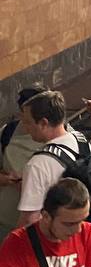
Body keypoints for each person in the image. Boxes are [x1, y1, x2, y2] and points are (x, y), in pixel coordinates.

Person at [16, 92, 85, 228]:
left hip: (57, 235)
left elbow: (30, 220)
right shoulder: (80, 140)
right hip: (85, 228)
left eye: (28, 122)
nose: (25, 128)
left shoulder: (37, 164)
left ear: (43, 123)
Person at [0, 89, 43, 239]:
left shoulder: (63, 137)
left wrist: (33, 183)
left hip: (42, 225)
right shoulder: (8, 132)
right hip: (7, 220)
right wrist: (5, 179)